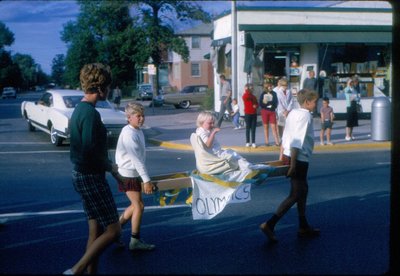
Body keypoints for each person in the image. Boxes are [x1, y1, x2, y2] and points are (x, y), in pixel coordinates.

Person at [65, 63, 121, 275]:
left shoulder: (80, 109)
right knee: (114, 230)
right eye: (107, 86)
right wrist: (111, 168)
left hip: (82, 175)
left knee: (95, 231)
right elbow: (90, 150)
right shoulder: (90, 113)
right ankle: (76, 270)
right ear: (99, 88)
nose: (108, 91)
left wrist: (111, 170)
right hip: (91, 177)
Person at [259, 89, 320, 243]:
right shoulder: (305, 115)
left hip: (290, 155)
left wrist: (282, 156)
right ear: (307, 102)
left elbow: (286, 135)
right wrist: (292, 164)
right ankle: (269, 224)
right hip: (298, 158)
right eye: (314, 102)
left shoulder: (292, 113)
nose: (316, 104)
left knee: (303, 190)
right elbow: (296, 141)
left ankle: (303, 225)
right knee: (295, 193)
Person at [115, 102, 156, 251]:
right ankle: (135, 240)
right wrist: (146, 180)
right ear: (129, 117)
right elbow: (136, 159)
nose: (141, 119)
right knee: (139, 206)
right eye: (138, 116)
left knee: (135, 205)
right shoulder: (129, 134)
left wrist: (144, 177)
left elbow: (139, 158)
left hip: (132, 172)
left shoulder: (137, 130)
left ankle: (114, 231)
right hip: (128, 174)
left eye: (143, 116)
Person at [274, 78, 293, 160]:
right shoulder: (278, 92)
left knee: (287, 126)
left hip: (288, 111)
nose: (285, 87)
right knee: (281, 126)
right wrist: (283, 111)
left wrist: (288, 110)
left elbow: (291, 101)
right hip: (281, 112)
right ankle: (282, 138)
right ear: (281, 85)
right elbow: (279, 103)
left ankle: (286, 138)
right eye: (284, 85)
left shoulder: (289, 91)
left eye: (286, 85)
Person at [259, 81, 279, 146]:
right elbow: (261, 103)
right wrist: (267, 105)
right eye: (269, 86)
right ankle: (267, 142)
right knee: (266, 126)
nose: (270, 87)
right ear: (266, 87)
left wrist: (270, 105)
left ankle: (277, 141)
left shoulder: (274, 93)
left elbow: (275, 103)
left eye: (271, 86)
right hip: (264, 111)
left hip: (272, 111)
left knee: (274, 127)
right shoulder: (263, 94)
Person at [242, 83, 258, 148]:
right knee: (248, 128)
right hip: (248, 113)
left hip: (254, 113)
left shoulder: (254, 96)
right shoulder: (245, 95)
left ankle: (253, 142)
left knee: (253, 129)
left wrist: (256, 106)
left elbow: (257, 103)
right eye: (251, 88)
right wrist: (246, 90)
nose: (252, 89)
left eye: (252, 88)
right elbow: (247, 97)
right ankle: (247, 142)